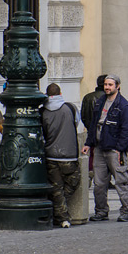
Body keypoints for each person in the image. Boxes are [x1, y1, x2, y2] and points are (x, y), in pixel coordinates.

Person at [83, 74, 128, 222]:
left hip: (115, 150)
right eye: (106, 84)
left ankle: (127, 210)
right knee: (99, 183)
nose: (107, 87)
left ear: (117, 86)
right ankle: (101, 211)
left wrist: (119, 148)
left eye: (110, 85)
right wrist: (88, 143)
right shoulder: (100, 102)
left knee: (121, 181)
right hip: (99, 147)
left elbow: (127, 129)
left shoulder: (123, 105)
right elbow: (93, 125)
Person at [40, 83, 81, 228]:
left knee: (56, 188)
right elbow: (76, 123)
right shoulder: (70, 108)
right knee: (74, 181)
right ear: (60, 93)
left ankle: (60, 214)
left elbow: (43, 132)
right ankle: (63, 216)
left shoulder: (43, 111)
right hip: (69, 154)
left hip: (51, 154)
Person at [81, 75, 107, 181]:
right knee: (105, 155)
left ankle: (91, 170)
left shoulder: (88, 97)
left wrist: (90, 127)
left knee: (93, 152)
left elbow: (83, 115)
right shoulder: (108, 98)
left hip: (92, 130)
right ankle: (105, 178)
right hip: (105, 131)